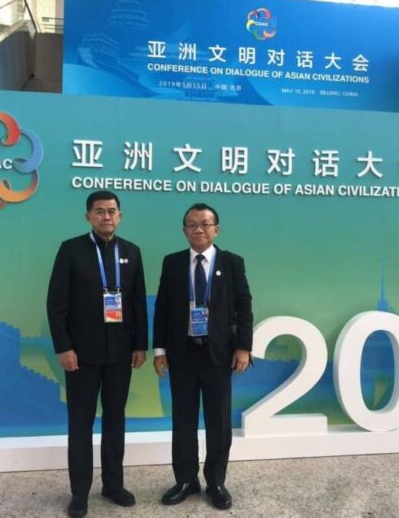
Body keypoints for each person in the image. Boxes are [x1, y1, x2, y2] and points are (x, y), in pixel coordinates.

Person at [47, 190, 148, 518]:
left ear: (120, 216)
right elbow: (56, 303)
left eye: (112, 211)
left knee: (116, 420)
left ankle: (113, 485)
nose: (107, 216)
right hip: (81, 355)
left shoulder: (131, 252)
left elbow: (137, 302)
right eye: (100, 211)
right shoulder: (71, 250)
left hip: (120, 354)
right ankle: (79, 492)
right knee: (81, 423)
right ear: (88, 216)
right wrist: (64, 347)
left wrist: (140, 344)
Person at [153, 203, 253, 510]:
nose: (199, 229)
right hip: (182, 354)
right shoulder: (172, 263)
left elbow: (244, 305)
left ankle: (216, 482)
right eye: (192, 224)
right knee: (183, 420)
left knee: (218, 422)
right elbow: (162, 308)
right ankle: (186, 480)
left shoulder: (232, 263)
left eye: (205, 224)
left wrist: (243, 347)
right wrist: (159, 350)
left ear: (216, 229)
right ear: (184, 230)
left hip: (218, 355)